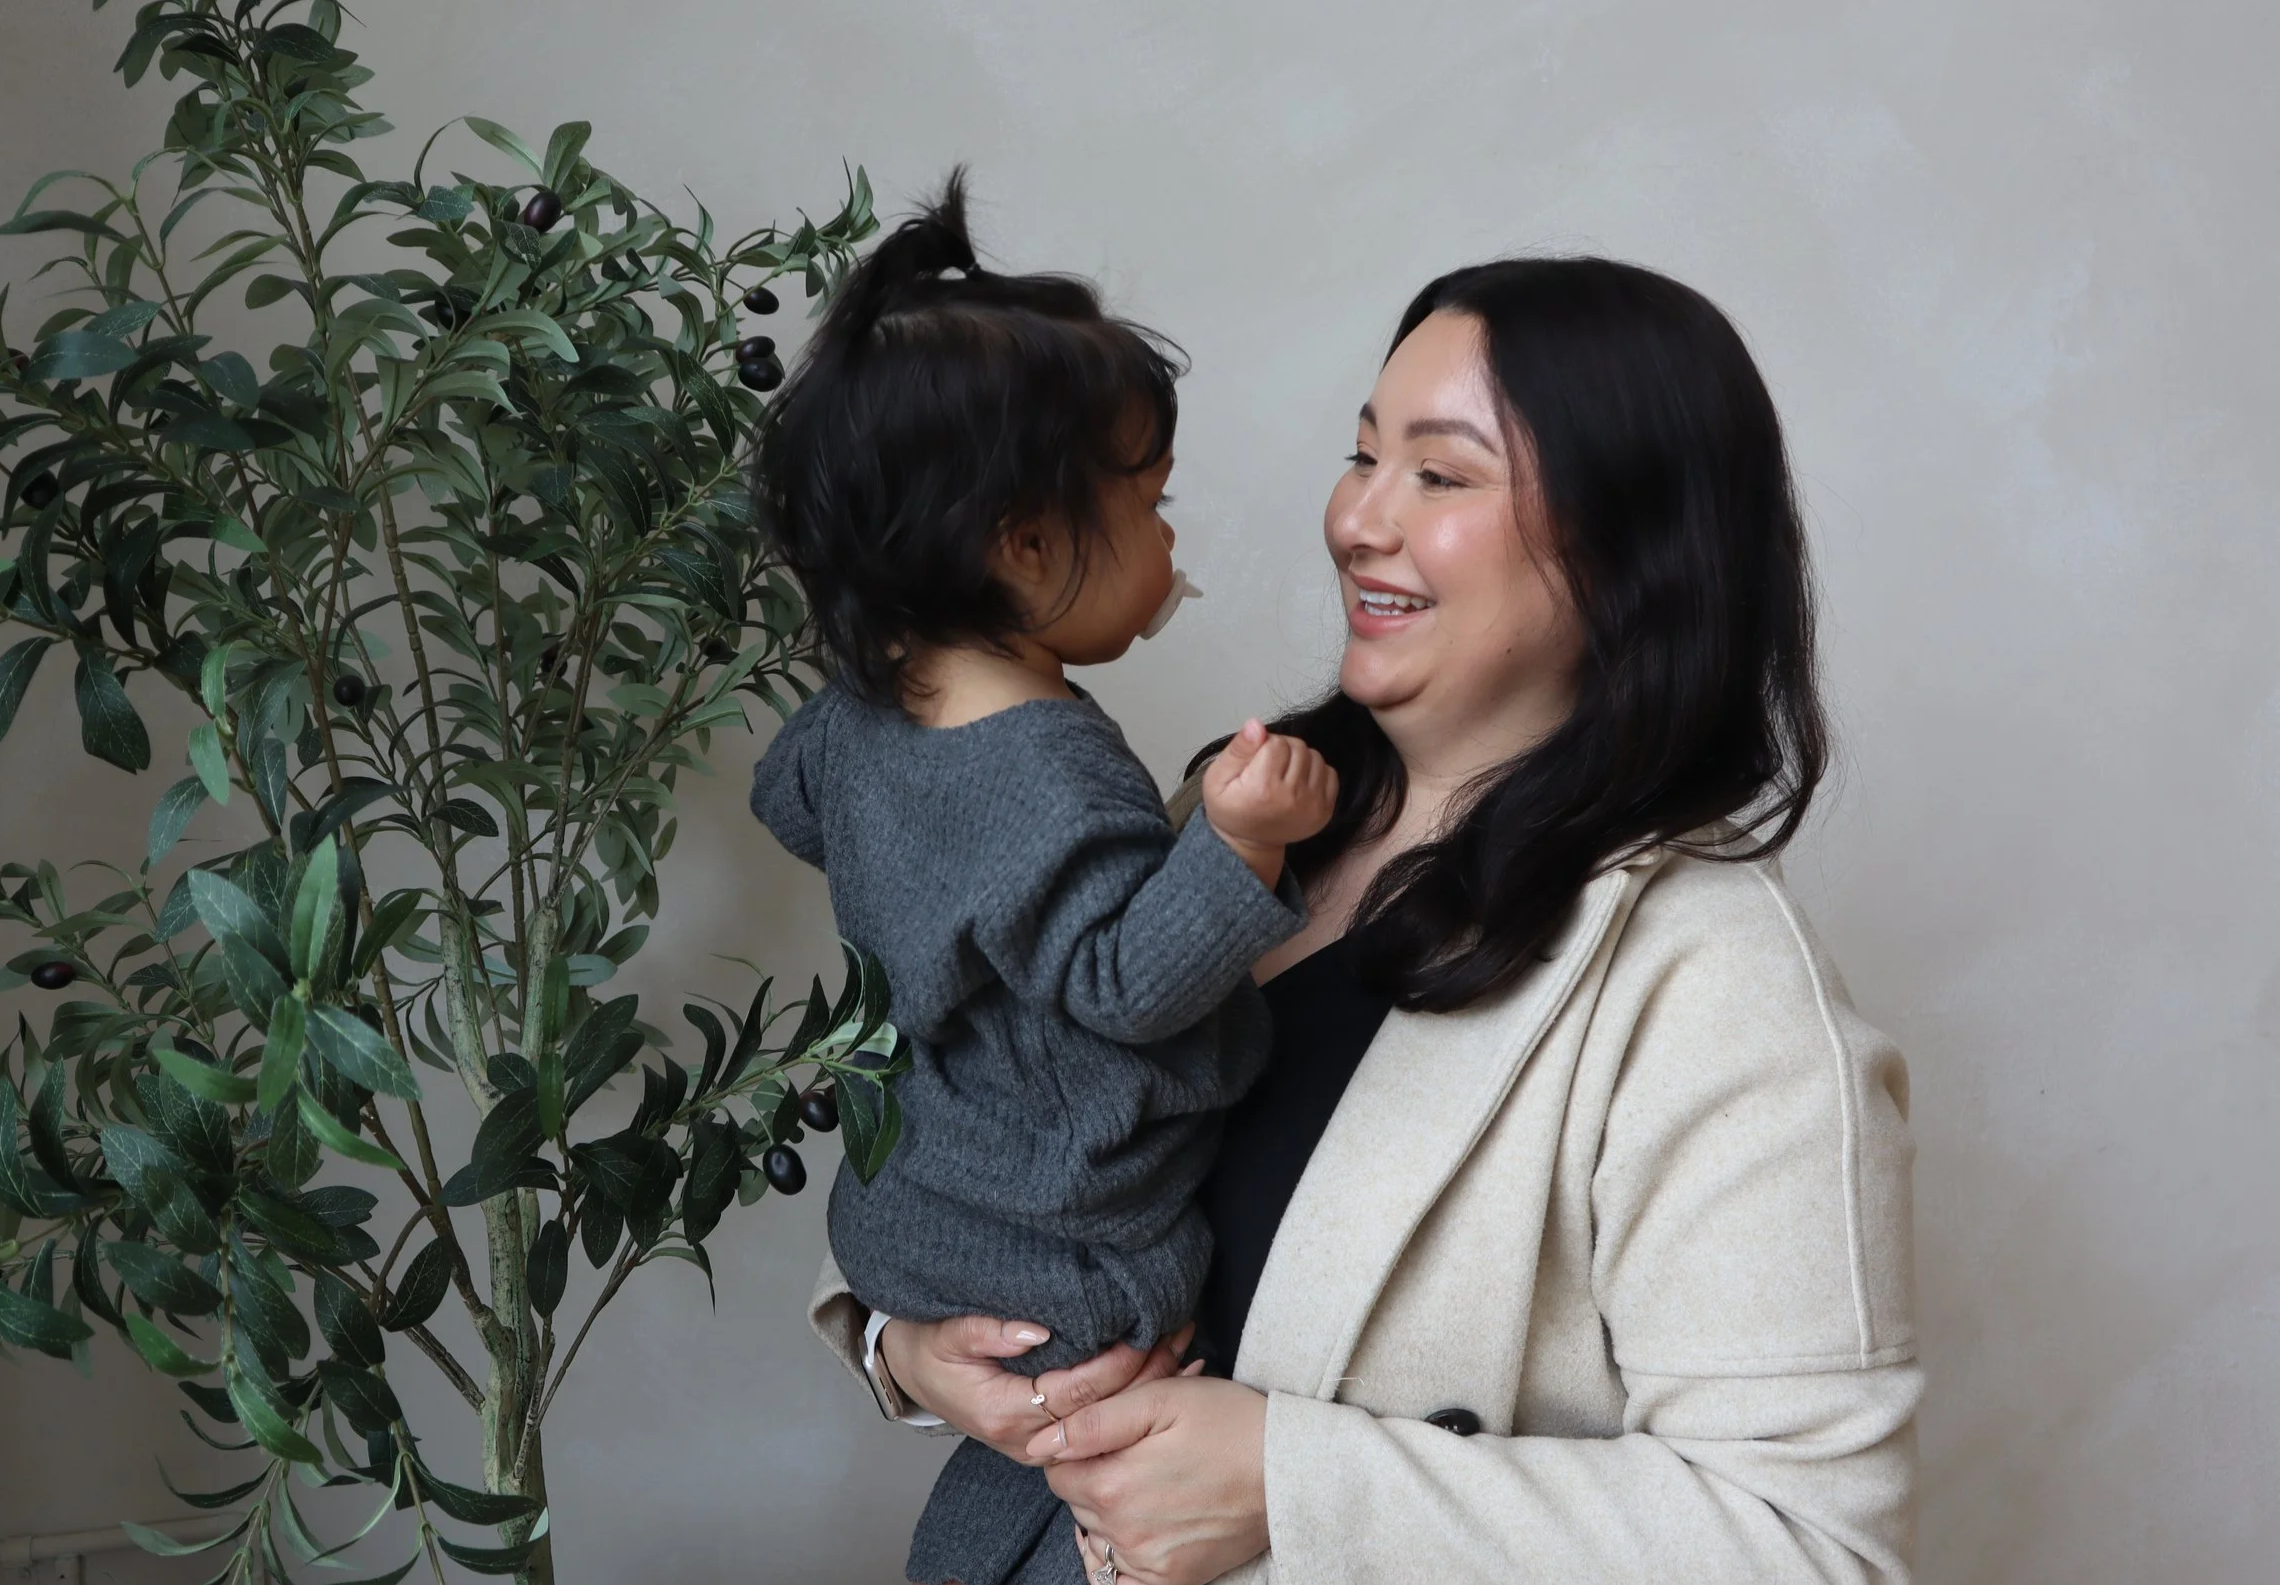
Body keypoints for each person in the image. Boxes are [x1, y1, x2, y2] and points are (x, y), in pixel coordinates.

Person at [809, 257, 1921, 1585]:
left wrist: (1294, 1481)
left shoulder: (1716, 984)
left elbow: (1813, 1548)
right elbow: (1009, 1109)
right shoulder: (1232, 816)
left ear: (1632, 545)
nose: (1355, 520)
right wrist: (910, 1349)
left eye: (1439, 474)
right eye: (1361, 455)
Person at [748, 174, 1340, 1585]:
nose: (1172, 540)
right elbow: (1128, 984)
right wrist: (1240, 846)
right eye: (1151, 502)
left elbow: (789, 802)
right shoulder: (1055, 770)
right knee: (1137, 1376)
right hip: (1069, 1254)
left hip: (912, 1210)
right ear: (1022, 548)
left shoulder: (860, 716)